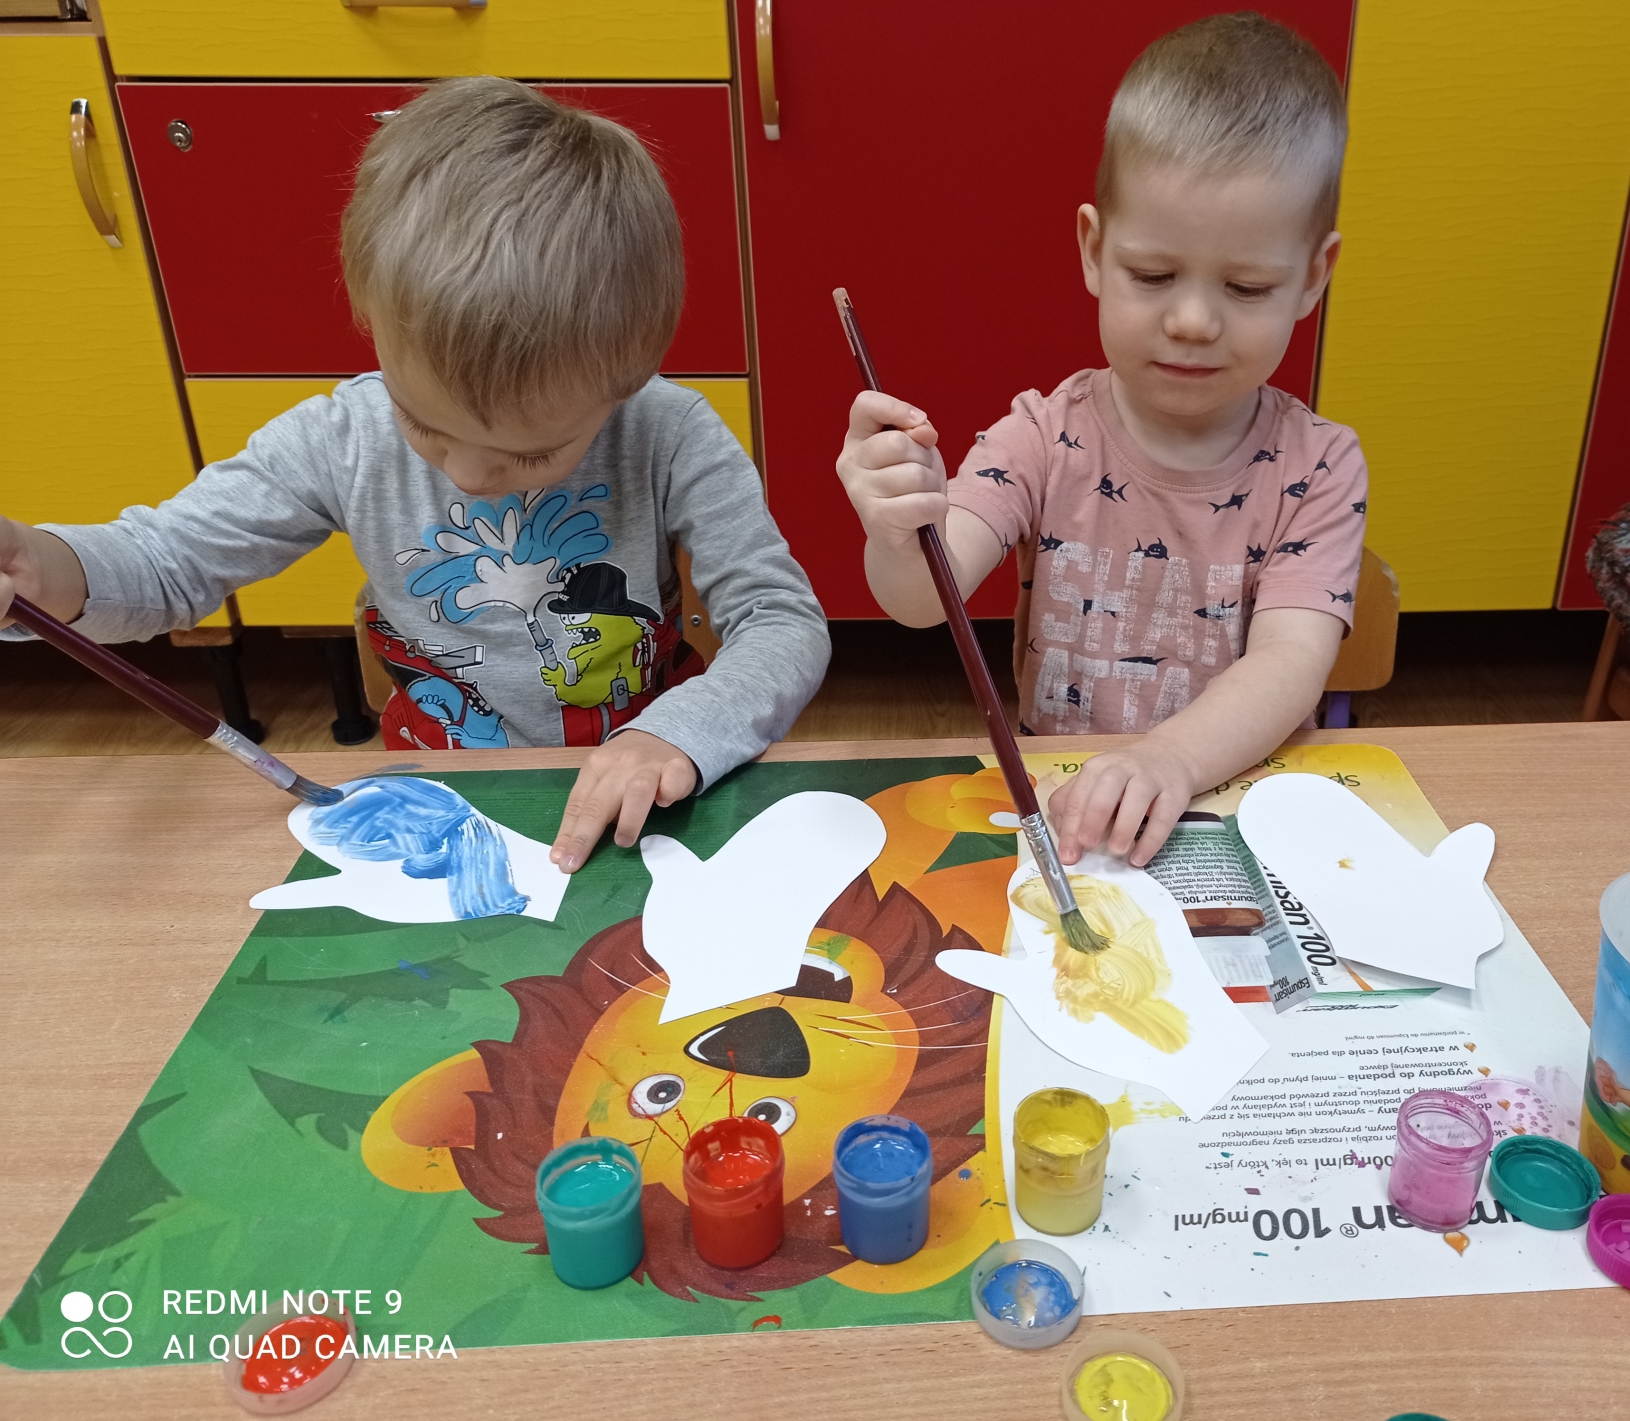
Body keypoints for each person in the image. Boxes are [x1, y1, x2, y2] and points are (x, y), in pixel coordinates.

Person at [0, 78, 829, 873]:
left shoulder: (670, 431)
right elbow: (164, 564)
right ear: (373, 323)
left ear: (628, 376)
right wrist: (43, 569)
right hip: (444, 804)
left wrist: (679, 731)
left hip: (643, 799)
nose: (467, 474)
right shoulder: (342, 438)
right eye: (424, 423)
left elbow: (781, 618)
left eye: (533, 454)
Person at [835, 13, 1366, 867]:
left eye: (1245, 286)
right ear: (1094, 249)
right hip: (1067, 815)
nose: (1192, 320)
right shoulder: (1041, 435)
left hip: (1234, 809)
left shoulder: (1321, 466)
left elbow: (1291, 661)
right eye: (1153, 275)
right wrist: (901, 526)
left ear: (1311, 277)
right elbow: (923, 600)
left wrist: (1170, 759)